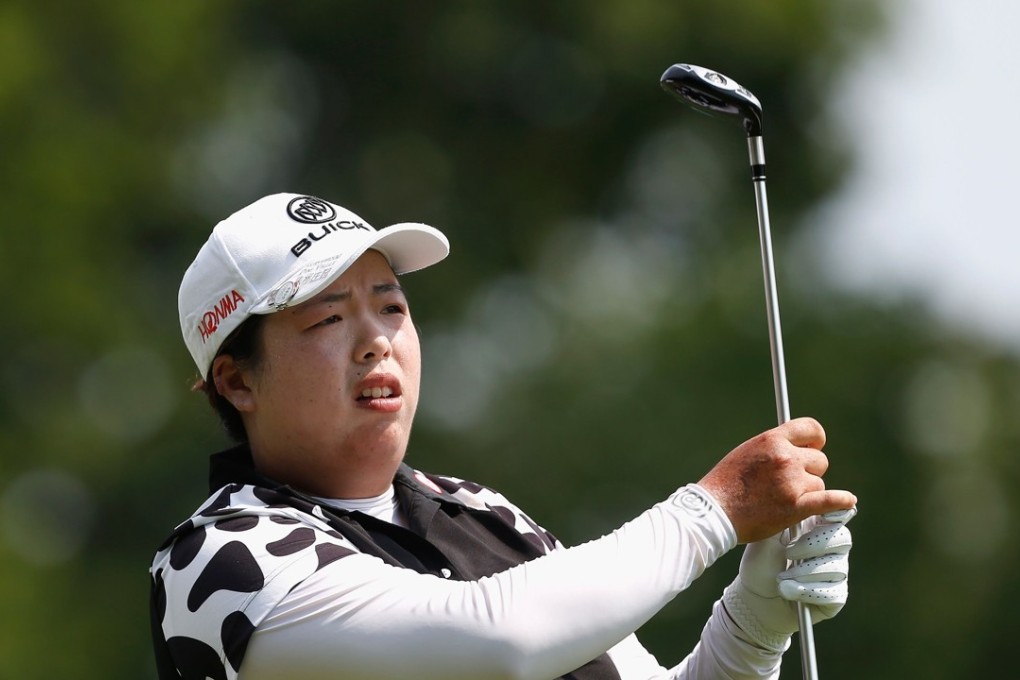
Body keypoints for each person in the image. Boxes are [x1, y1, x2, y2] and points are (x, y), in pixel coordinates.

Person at [149, 192, 858, 680]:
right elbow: (500, 642)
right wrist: (717, 510)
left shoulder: (479, 513)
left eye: (391, 306)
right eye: (327, 319)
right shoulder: (221, 557)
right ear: (237, 382)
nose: (376, 342)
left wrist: (759, 614)